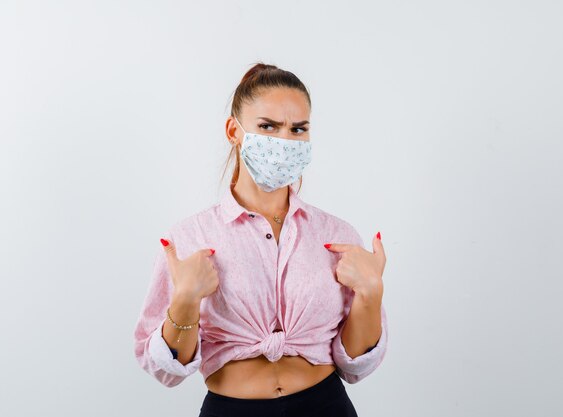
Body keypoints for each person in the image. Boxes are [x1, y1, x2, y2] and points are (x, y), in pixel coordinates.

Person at [133, 63, 389, 417]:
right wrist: (186, 299)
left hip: (326, 406)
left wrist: (371, 294)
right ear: (233, 131)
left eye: (298, 129)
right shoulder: (190, 238)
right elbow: (165, 371)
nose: (284, 141)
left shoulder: (337, 236)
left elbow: (356, 366)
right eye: (268, 126)